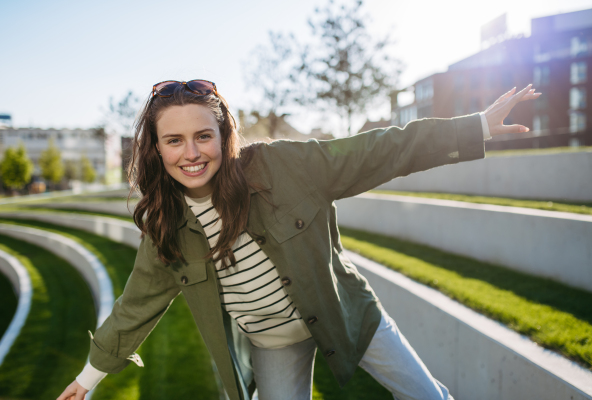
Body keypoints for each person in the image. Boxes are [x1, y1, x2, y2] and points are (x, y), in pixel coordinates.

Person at [57, 80, 540, 400]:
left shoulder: (284, 166)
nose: (191, 154)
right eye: (174, 140)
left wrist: (474, 127)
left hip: (343, 313)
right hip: (271, 343)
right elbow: (135, 305)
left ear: (223, 135)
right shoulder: (165, 226)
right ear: (156, 148)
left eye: (203, 136)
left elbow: (381, 150)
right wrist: (87, 379)